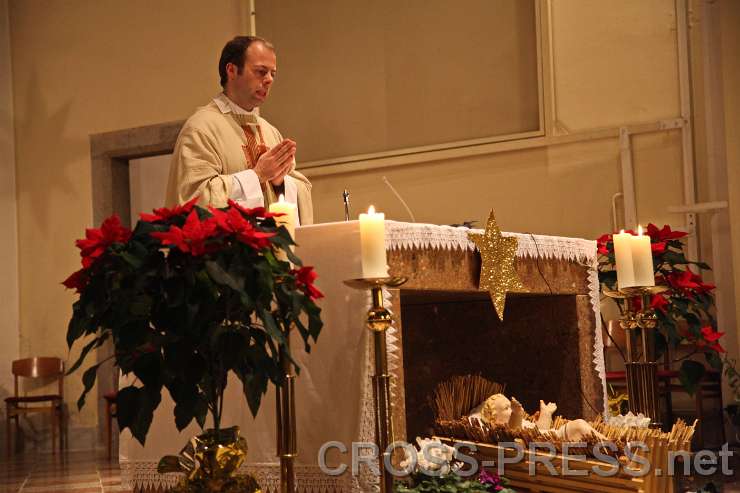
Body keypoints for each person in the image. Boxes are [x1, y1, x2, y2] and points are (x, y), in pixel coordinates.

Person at [165, 36, 313, 224]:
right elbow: (194, 198)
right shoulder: (201, 128)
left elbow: (301, 191)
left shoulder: (270, 131)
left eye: (273, 74)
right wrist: (257, 176)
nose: (269, 80)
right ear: (232, 70)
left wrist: (279, 182)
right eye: (261, 72)